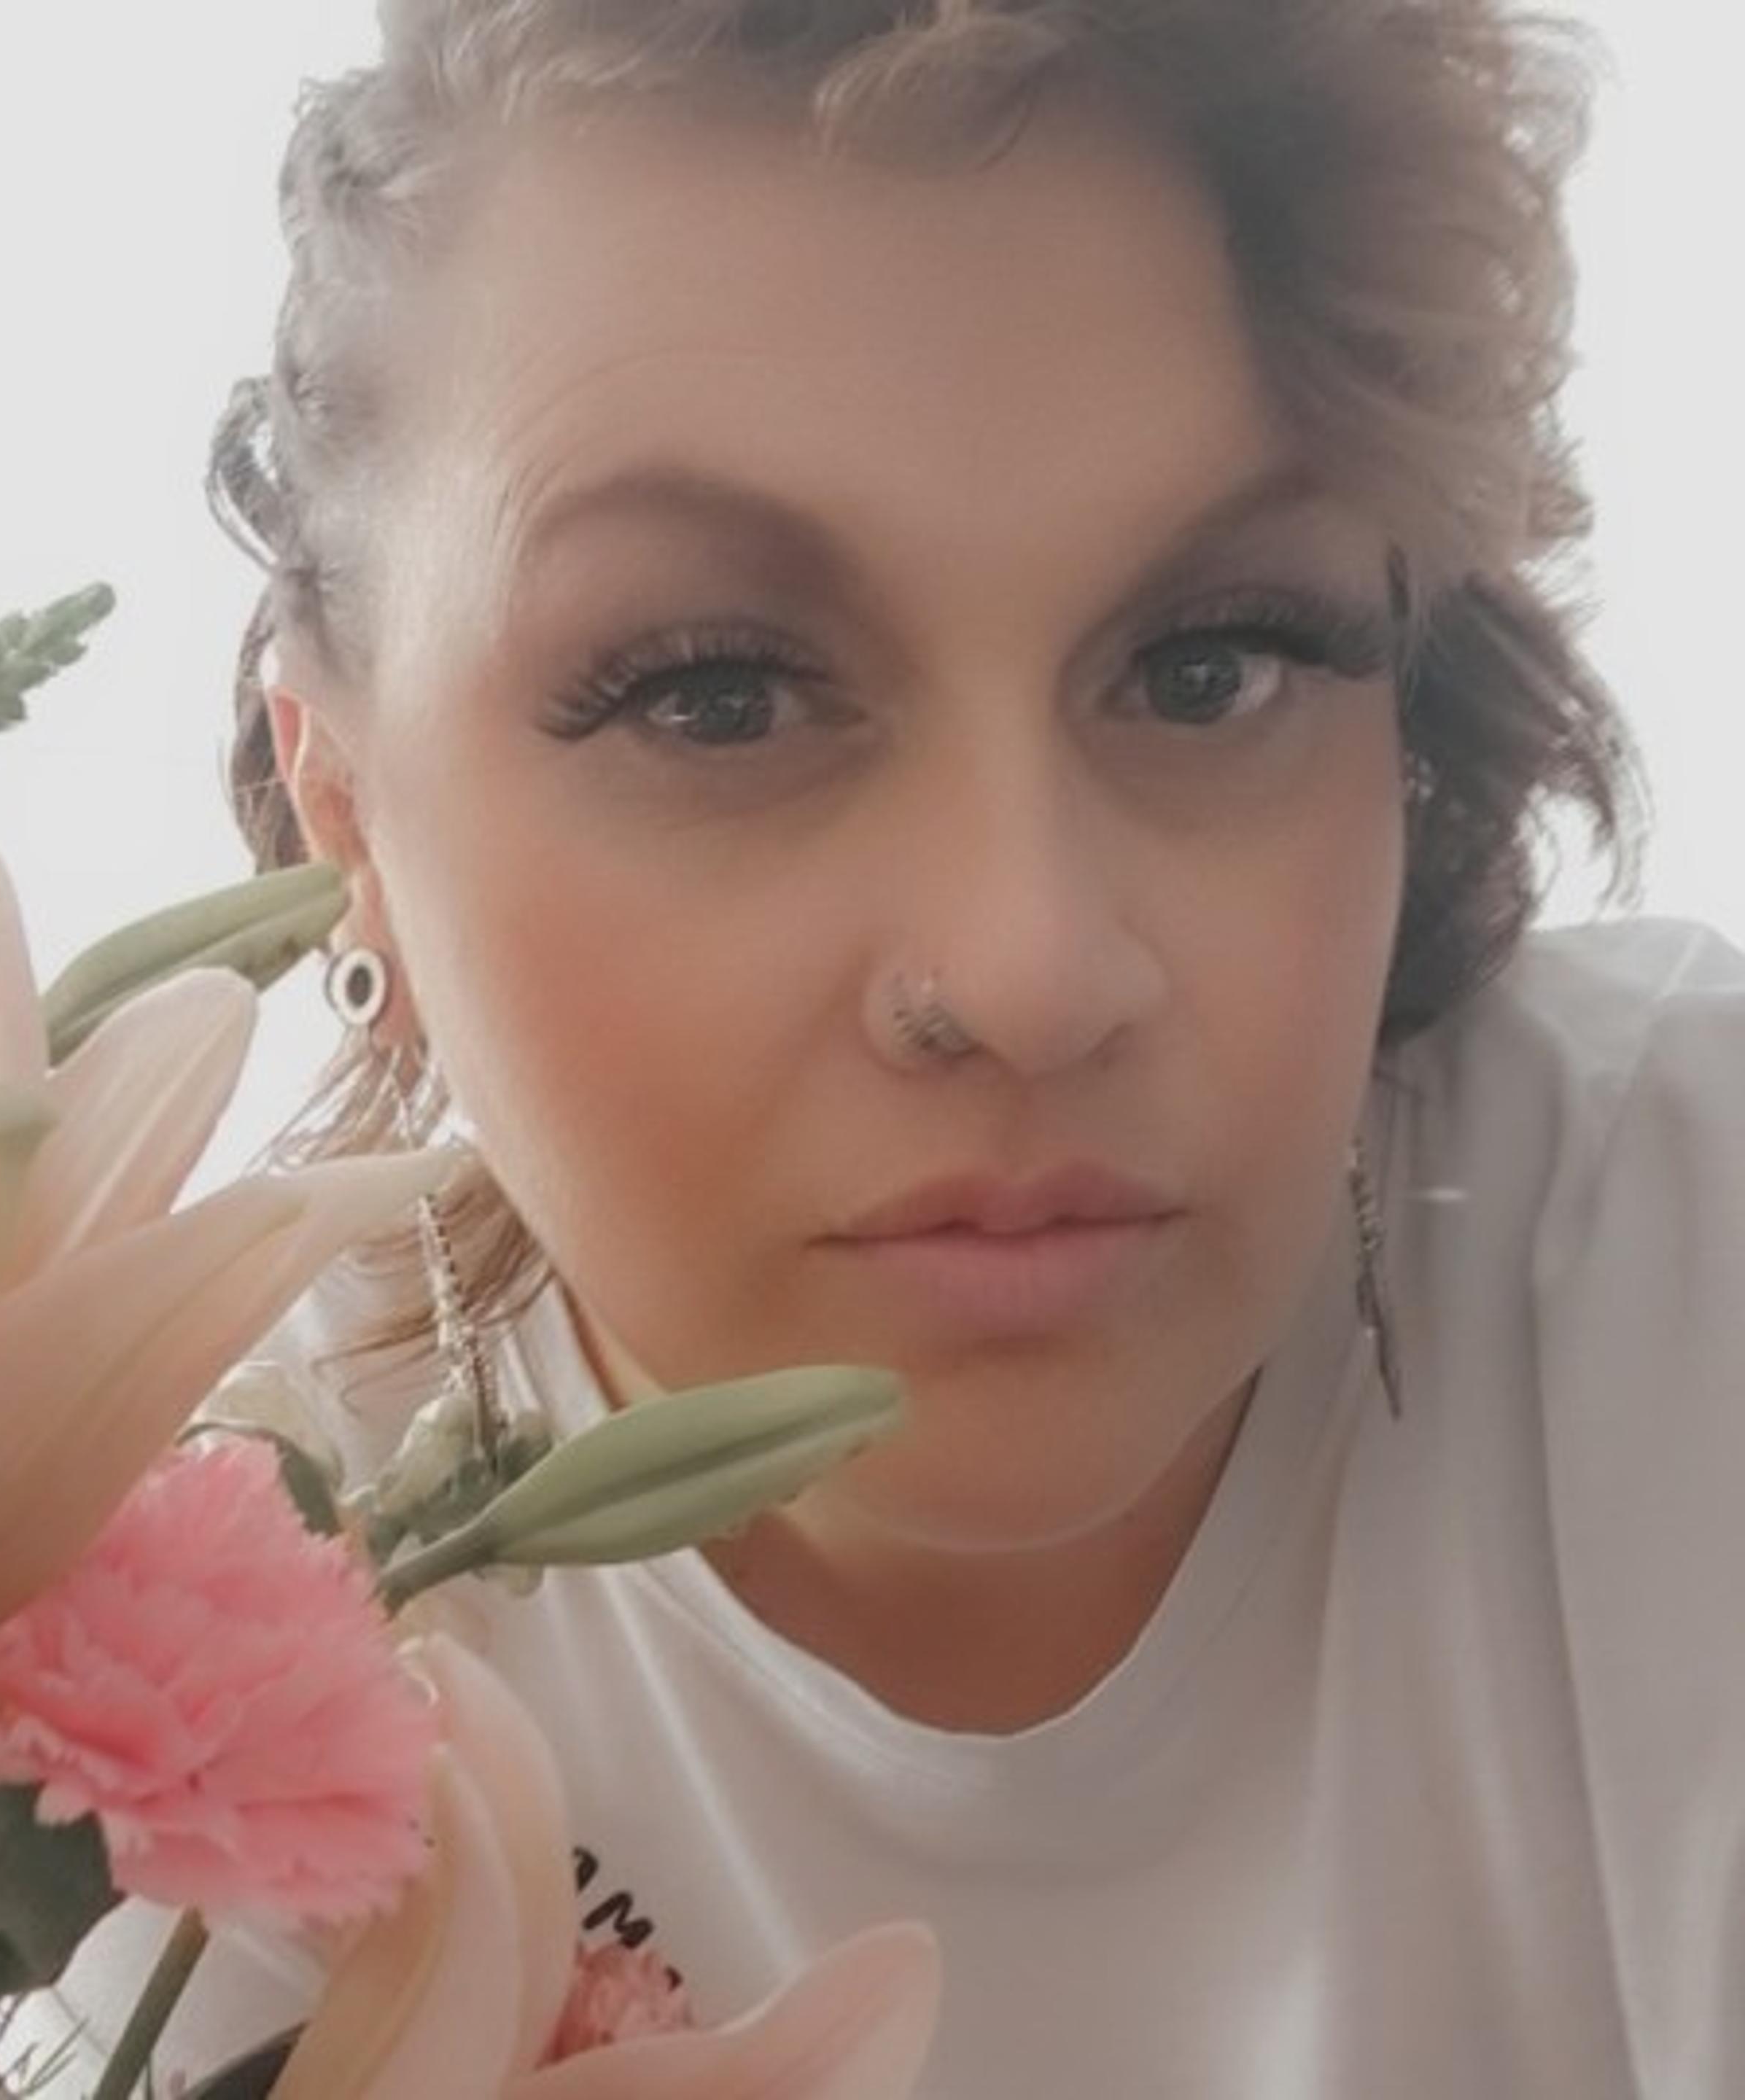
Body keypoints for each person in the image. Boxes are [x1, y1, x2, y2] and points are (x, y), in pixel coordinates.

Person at [168, 0, 1743, 2091]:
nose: (1028, 969)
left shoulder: (1680, 1271)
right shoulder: (170, 1679)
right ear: (349, 815)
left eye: (1213, 664)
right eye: (716, 694)